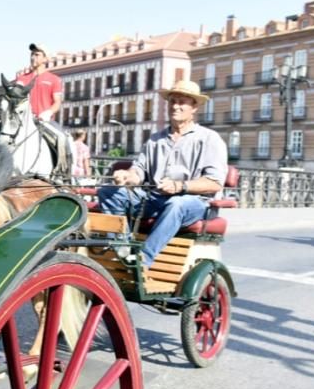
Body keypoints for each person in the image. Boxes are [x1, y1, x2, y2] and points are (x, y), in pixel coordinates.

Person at [97, 79, 227, 269]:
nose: (176, 106)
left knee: (177, 203)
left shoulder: (209, 139)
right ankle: (123, 248)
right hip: (155, 198)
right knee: (108, 192)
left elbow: (215, 182)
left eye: (182, 102)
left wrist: (180, 186)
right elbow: (139, 171)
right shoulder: (155, 140)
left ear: (194, 107)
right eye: (172, 101)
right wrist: (127, 175)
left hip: (195, 202)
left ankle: (143, 258)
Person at [10, 43, 63, 176]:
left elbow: (57, 102)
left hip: (44, 121)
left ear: (45, 59)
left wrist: (48, 112)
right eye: (32, 54)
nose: (33, 57)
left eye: (37, 54)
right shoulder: (22, 78)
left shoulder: (54, 79)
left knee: (62, 138)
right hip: (23, 121)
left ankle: (62, 173)